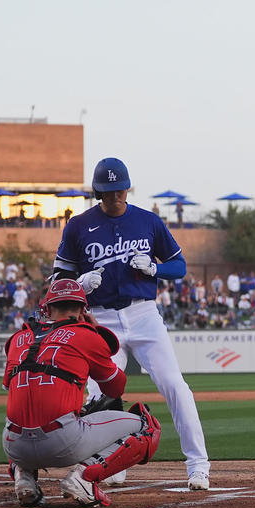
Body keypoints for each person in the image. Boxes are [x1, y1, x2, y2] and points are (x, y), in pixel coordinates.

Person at [52, 156, 210, 490]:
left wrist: (155, 269)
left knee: (175, 386)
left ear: (127, 188)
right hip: (102, 318)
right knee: (99, 395)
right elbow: (57, 280)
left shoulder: (147, 221)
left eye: (120, 190)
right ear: (98, 192)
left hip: (143, 314)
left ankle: (198, 466)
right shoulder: (78, 225)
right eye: (108, 191)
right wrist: (79, 284)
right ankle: (109, 464)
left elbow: (179, 266)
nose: (115, 196)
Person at [1, 278, 160, 507]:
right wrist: (95, 332)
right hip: (61, 441)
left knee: (23, 412)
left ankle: (23, 475)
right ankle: (84, 477)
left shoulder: (18, 338)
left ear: (47, 309)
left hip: (14, 445)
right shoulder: (85, 334)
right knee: (146, 426)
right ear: (83, 310)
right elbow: (116, 388)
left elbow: (10, 386)